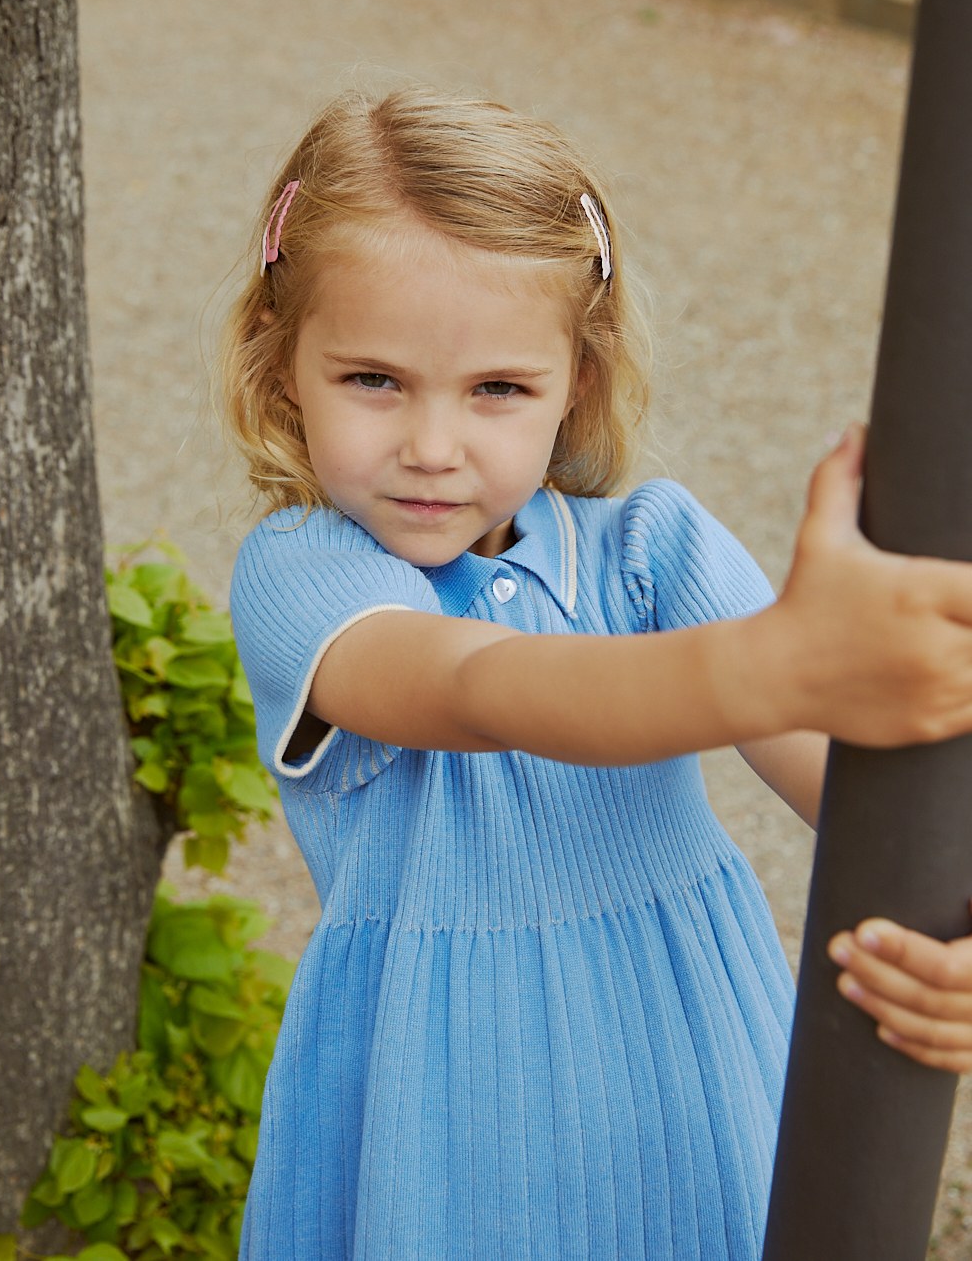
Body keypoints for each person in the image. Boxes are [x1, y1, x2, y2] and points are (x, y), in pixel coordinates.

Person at [220, 87, 972, 1261]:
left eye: (497, 390)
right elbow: (480, 688)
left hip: (698, 1076)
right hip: (447, 1126)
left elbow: (852, 790)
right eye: (373, 379)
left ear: (580, 377)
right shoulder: (302, 576)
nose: (431, 444)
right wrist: (775, 663)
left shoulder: (650, 550)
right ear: (283, 371)